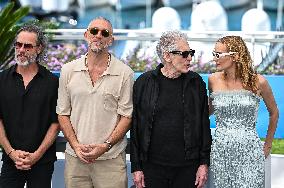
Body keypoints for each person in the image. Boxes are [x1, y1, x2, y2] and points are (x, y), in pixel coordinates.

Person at [56, 16, 134, 188]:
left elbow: (126, 117)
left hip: (111, 161)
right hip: (76, 159)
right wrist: (76, 146)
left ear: (111, 40)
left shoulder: (124, 73)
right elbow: (62, 113)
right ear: (86, 35)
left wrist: (105, 146)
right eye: (94, 31)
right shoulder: (68, 70)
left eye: (104, 33)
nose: (98, 35)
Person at [130, 30, 212, 188]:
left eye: (191, 53)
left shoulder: (196, 83)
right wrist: (136, 167)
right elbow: (136, 128)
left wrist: (203, 163)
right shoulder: (144, 82)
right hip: (151, 168)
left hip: (188, 168)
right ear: (167, 56)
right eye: (184, 54)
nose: (189, 58)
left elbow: (203, 126)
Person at [209, 35, 279, 187]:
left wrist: (267, 145)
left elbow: (274, 113)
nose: (214, 58)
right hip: (220, 152)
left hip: (250, 152)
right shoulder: (213, 80)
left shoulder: (259, 82)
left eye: (217, 54)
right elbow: (208, 111)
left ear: (235, 56)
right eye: (214, 54)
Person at [0, 24, 59, 188]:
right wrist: (12, 153)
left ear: (39, 48)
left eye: (27, 46)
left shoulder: (52, 82)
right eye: (18, 45)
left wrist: (36, 155)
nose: (21, 50)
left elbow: (56, 123)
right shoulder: (2, 80)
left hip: (42, 162)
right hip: (11, 161)